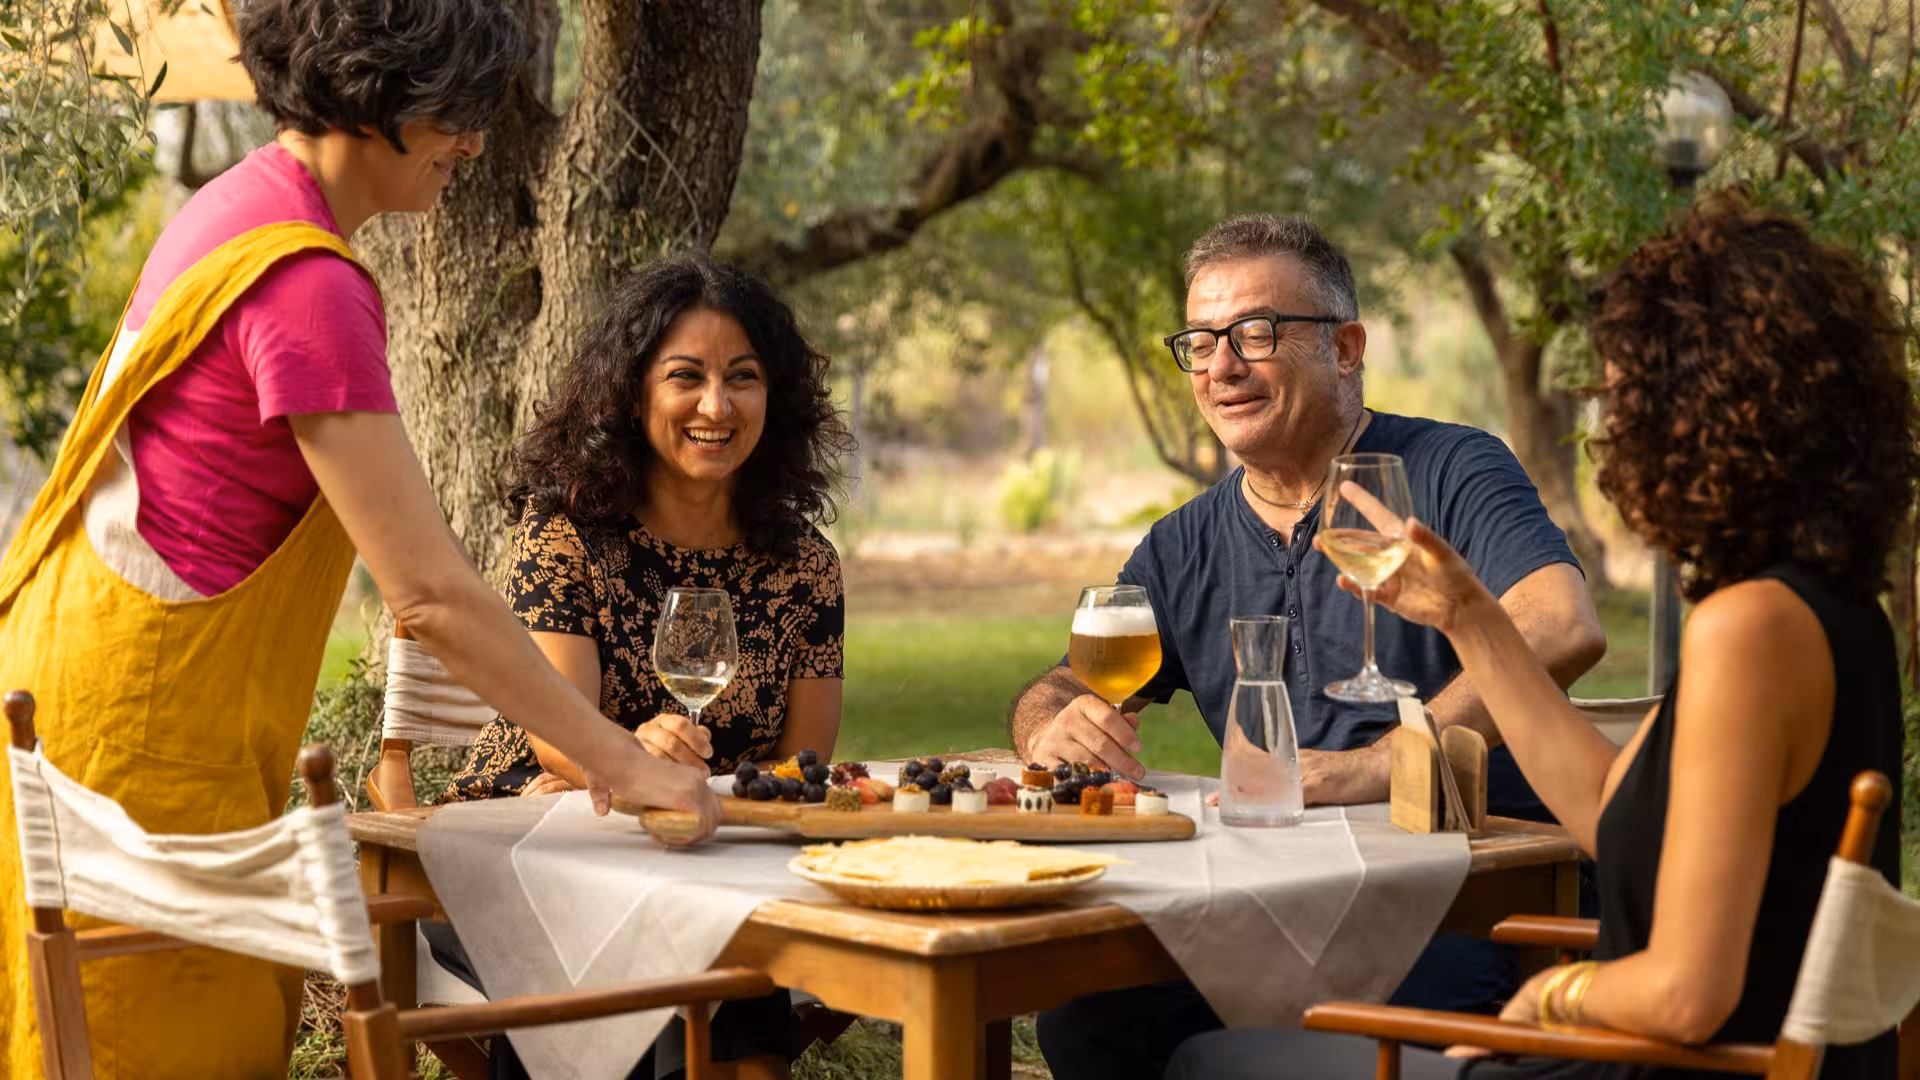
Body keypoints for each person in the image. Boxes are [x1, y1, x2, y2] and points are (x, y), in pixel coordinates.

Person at [0, 1, 719, 1076]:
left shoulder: (230, 206)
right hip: (149, 733)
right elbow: (428, 592)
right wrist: (627, 765)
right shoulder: (310, 287)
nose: (473, 143)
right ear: (382, 93)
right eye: (459, 111)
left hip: (77, 693)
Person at [1167, 189, 1913, 1080]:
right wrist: (1468, 615)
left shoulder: (1746, 630)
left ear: (1710, 413)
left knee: (1212, 1060)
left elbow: (1688, 994)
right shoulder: (1832, 614)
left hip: (1648, 1065)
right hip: (1701, 1058)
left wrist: (1551, 998)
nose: (1612, 424)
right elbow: (1602, 805)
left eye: (1627, 395)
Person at [1009, 214, 1607, 1080]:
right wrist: (1048, 727)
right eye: (1200, 342)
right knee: (1088, 1015)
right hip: (1269, 897)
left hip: (1464, 896)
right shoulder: (1181, 544)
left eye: (1255, 333)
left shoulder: (1453, 468)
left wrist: (1381, 765)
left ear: (1347, 348)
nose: (1221, 366)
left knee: (1371, 1034)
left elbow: (1564, 625)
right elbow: (1068, 684)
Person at [428, 252, 849, 1080]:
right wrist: (630, 761)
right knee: (673, 970)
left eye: (743, 378)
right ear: (631, 392)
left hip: (707, 860)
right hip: (530, 840)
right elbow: (557, 742)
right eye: (686, 376)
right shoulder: (565, 537)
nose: (717, 406)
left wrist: (701, 809)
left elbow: (802, 763)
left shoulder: (805, 565)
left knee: (710, 965)